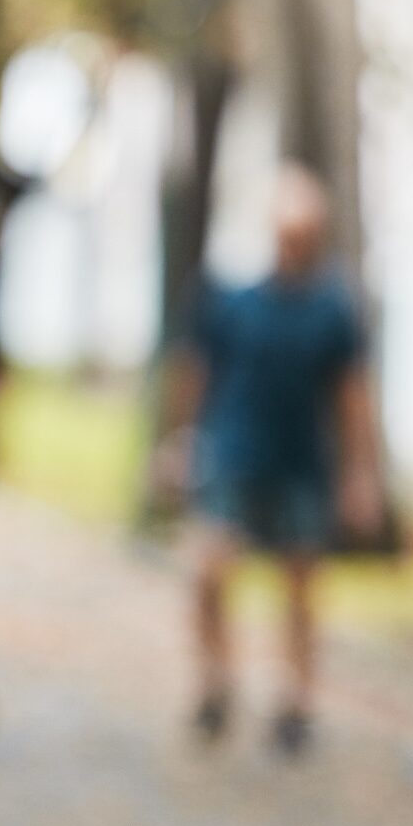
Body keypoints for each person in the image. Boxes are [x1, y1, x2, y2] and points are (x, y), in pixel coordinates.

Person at [161, 163, 379, 757]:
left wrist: (361, 475)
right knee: (207, 572)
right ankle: (215, 686)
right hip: (234, 455)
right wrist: (181, 440)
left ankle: (296, 702)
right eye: (288, 230)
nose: (296, 242)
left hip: (302, 462)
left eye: (305, 232)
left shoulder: (334, 308)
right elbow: (196, 373)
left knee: (300, 586)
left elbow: (353, 395)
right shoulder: (232, 298)